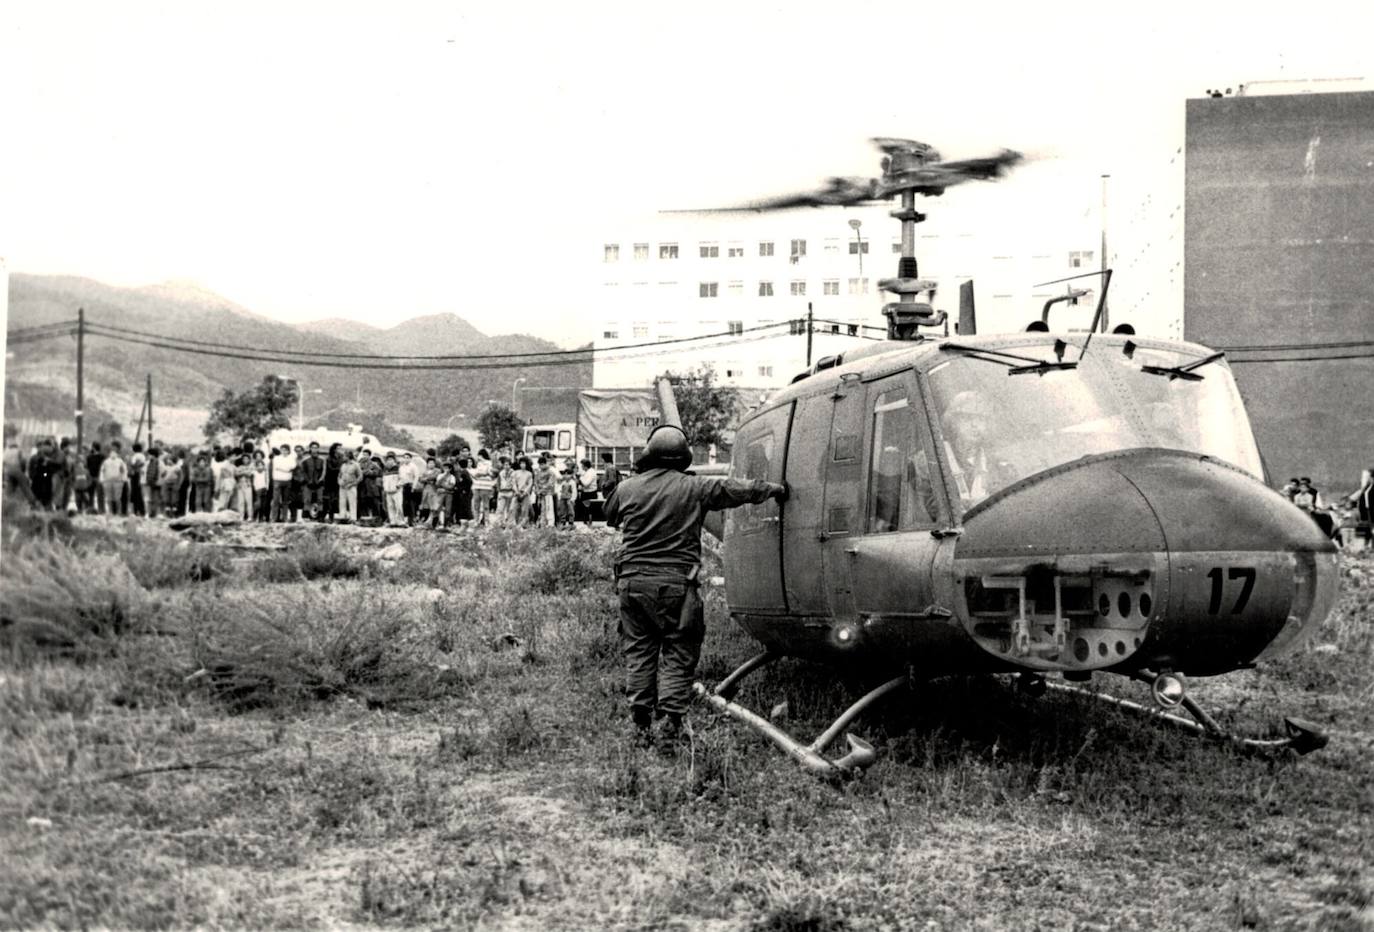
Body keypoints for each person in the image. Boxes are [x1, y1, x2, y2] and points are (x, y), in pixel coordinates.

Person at [604, 424, 788, 749]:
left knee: (640, 652)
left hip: (632, 585)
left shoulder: (627, 488)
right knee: (678, 651)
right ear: (684, 456)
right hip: (675, 585)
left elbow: (611, 514)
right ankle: (671, 726)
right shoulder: (695, 487)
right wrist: (773, 489)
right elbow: (735, 489)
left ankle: (641, 724)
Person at [100, 442, 129, 516]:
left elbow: (124, 470)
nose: (113, 453)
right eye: (111, 452)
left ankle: (118, 512)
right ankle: (110, 511)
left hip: (118, 482)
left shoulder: (120, 461)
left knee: (117, 498)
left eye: (114, 452)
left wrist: (123, 479)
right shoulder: (106, 462)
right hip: (108, 481)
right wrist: (102, 479)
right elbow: (102, 471)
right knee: (109, 498)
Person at [270, 445, 296, 521]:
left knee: (285, 501)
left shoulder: (291, 459)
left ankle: (285, 518)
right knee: (276, 500)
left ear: (288, 451)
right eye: (282, 450)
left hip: (287, 481)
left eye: (286, 450)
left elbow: (292, 467)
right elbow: (277, 467)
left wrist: (282, 469)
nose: (284, 451)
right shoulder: (276, 458)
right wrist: (286, 469)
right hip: (277, 480)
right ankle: (274, 518)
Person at [533, 454, 558, 527]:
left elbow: (550, 484)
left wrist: (541, 490)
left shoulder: (551, 473)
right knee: (541, 509)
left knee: (549, 508)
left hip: (548, 493)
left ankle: (550, 524)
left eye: (542, 464)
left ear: (545, 464)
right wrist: (537, 490)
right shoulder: (538, 473)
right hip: (540, 494)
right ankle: (542, 523)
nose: (540, 466)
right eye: (539, 464)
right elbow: (535, 482)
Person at [471, 450, 494, 527]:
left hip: (486, 486)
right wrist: (479, 474)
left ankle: (486, 521)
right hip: (477, 485)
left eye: (479, 456)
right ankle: (476, 521)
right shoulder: (479, 464)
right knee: (476, 504)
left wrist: (480, 474)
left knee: (486, 505)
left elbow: (487, 472)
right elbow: (476, 473)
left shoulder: (489, 463)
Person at [382, 452, 405, 526]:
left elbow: (402, 479)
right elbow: (384, 480)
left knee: (398, 506)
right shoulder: (385, 470)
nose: (389, 461)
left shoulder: (399, 468)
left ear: (394, 460)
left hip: (396, 491)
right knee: (390, 506)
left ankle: (400, 521)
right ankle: (393, 521)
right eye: (388, 459)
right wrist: (385, 487)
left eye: (391, 459)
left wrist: (398, 486)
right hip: (388, 491)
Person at [158, 450, 183, 518]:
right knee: (167, 499)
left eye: (170, 460)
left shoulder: (177, 468)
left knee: (174, 499)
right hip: (166, 484)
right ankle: (167, 513)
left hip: (174, 483)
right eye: (168, 460)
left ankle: (174, 513)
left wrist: (178, 484)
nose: (169, 461)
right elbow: (162, 475)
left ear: (173, 461)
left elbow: (180, 476)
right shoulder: (166, 467)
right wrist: (163, 473)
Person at [511, 456, 534, 527]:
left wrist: (525, 492)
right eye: (521, 463)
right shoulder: (515, 473)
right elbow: (513, 483)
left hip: (525, 493)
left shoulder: (529, 474)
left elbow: (530, 484)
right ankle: (514, 523)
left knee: (524, 509)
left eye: (524, 463)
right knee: (513, 508)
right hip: (516, 493)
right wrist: (516, 491)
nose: (522, 465)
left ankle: (523, 524)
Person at [495, 457, 515, 526]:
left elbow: (514, 482)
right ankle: (500, 522)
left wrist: (513, 490)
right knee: (500, 508)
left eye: (508, 465)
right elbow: (498, 482)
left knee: (510, 509)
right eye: (505, 465)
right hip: (502, 492)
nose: (506, 466)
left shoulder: (513, 473)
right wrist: (498, 489)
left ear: (510, 465)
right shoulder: (501, 473)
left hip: (510, 492)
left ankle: (509, 522)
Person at [577, 458, 598, 525]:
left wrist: (581, 478)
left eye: (582, 465)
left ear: (585, 466)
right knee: (585, 509)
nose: (581, 467)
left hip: (589, 493)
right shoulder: (587, 472)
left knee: (588, 510)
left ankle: (589, 523)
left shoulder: (591, 473)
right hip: (586, 492)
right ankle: (586, 523)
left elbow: (586, 484)